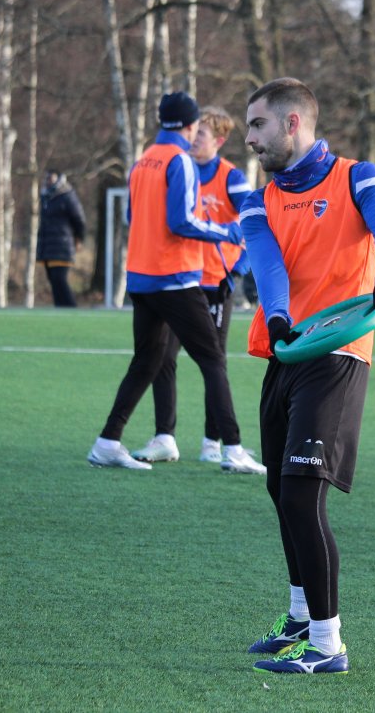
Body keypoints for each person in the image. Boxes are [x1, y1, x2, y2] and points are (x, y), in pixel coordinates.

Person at [240, 78, 375, 674]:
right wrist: (279, 318)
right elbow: (269, 267)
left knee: (301, 494)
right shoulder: (256, 200)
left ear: (292, 123)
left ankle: (327, 644)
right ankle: (298, 618)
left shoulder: (358, 177)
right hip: (285, 352)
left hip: (338, 355)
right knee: (279, 492)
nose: (249, 138)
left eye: (257, 124)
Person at [86, 91, 247, 471]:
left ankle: (108, 442)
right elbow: (181, 222)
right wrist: (225, 232)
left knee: (147, 361)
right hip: (175, 278)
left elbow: (132, 217)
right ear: (190, 125)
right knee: (212, 359)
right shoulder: (181, 160)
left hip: (141, 279)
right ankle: (232, 450)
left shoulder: (143, 160)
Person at [131, 105, 264, 475]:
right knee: (164, 357)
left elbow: (253, 219)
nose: (193, 139)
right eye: (194, 131)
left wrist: (239, 266)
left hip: (214, 283)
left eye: (201, 134)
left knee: (213, 360)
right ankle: (164, 436)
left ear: (218, 141)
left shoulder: (230, 177)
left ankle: (213, 442)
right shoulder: (178, 168)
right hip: (178, 280)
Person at [36, 170, 86, 307]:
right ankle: (60, 309)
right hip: (48, 247)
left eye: (51, 178)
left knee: (59, 279)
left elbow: (79, 219)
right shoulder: (46, 197)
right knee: (53, 281)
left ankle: (72, 309)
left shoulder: (67, 196)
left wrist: (79, 238)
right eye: (46, 178)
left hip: (62, 246)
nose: (48, 181)